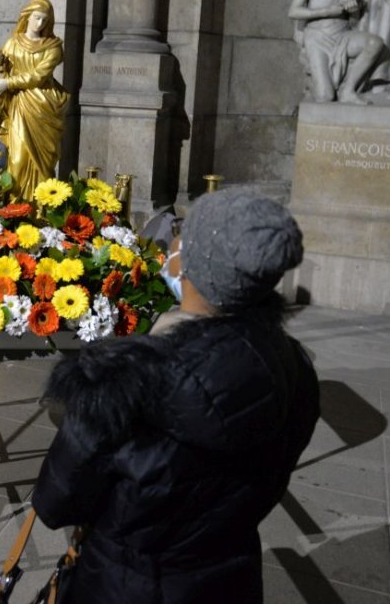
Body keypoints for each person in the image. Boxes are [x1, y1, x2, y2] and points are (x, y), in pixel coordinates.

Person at [32, 190, 321, 603]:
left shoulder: (122, 386)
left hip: (124, 586)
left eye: (182, 233)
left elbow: (55, 502)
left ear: (190, 265)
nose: (173, 241)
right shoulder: (292, 367)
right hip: (228, 582)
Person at [0, 0, 70, 200]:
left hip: (42, 106)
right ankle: (15, 209)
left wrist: (8, 84)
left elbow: (40, 75)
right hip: (17, 105)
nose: (40, 24)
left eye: (45, 20)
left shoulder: (53, 46)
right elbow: (0, 71)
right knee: (17, 159)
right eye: (37, 18)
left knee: (44, 163)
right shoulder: (13, 43)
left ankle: (41, 209)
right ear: (27, 16)